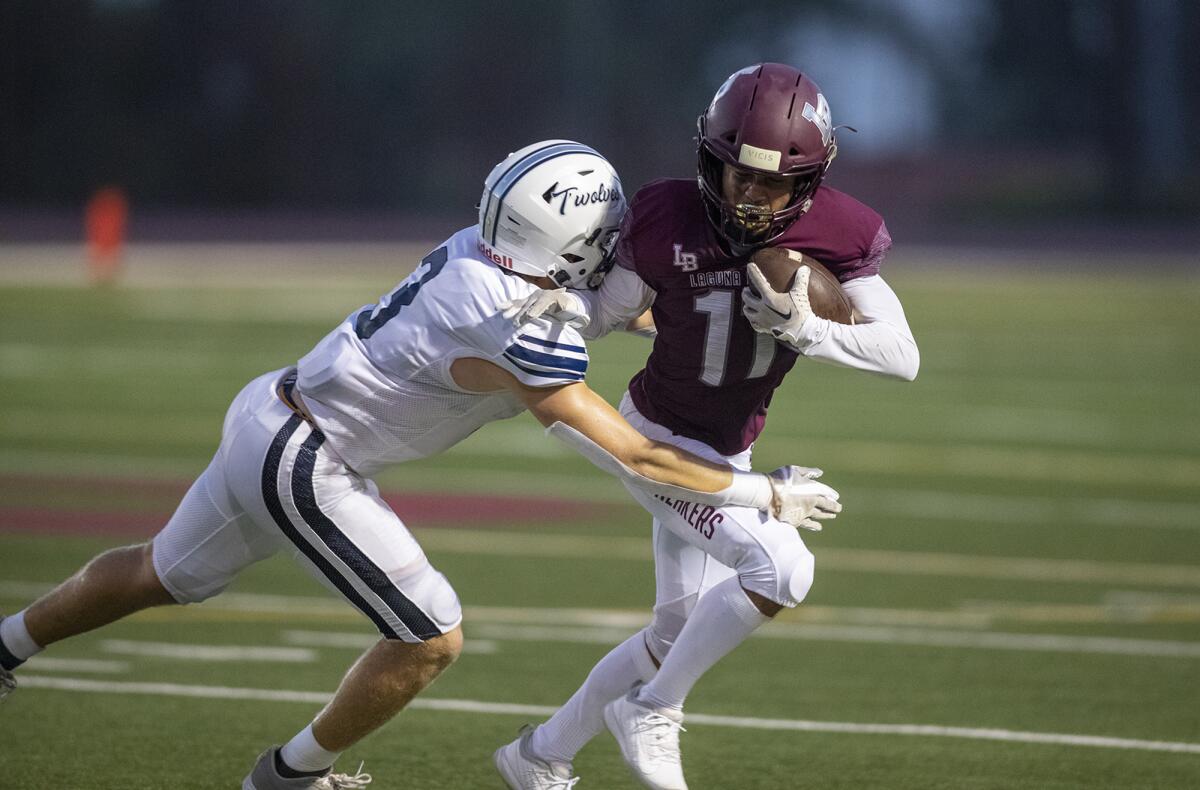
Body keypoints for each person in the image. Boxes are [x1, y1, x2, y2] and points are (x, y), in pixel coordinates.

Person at [0, 139, 842, 790]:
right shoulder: (515, 316)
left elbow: (601, 310)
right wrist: (760, 491)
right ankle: (287, 775)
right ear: (570, 239)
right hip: (311, 457)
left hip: (275, 410)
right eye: (606, 231)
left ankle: (3, 649)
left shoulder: (493, 261)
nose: (620, 243)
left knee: (159, 572)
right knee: (430, 634)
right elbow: (633, 448)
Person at [494, 65, 919, 790]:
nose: (749, 195)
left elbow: (902, 356)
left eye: (771, 184)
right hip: (653, 438)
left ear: (811, 181)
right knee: (782, 567)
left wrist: (809, 328)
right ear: (708, 159)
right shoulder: (665, 215)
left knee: (672, 632)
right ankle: (654, 710)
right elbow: (603, 314)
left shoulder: (841, 230)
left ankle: (539, 755)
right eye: (735, 175)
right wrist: (552, 305)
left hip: (730, 445)